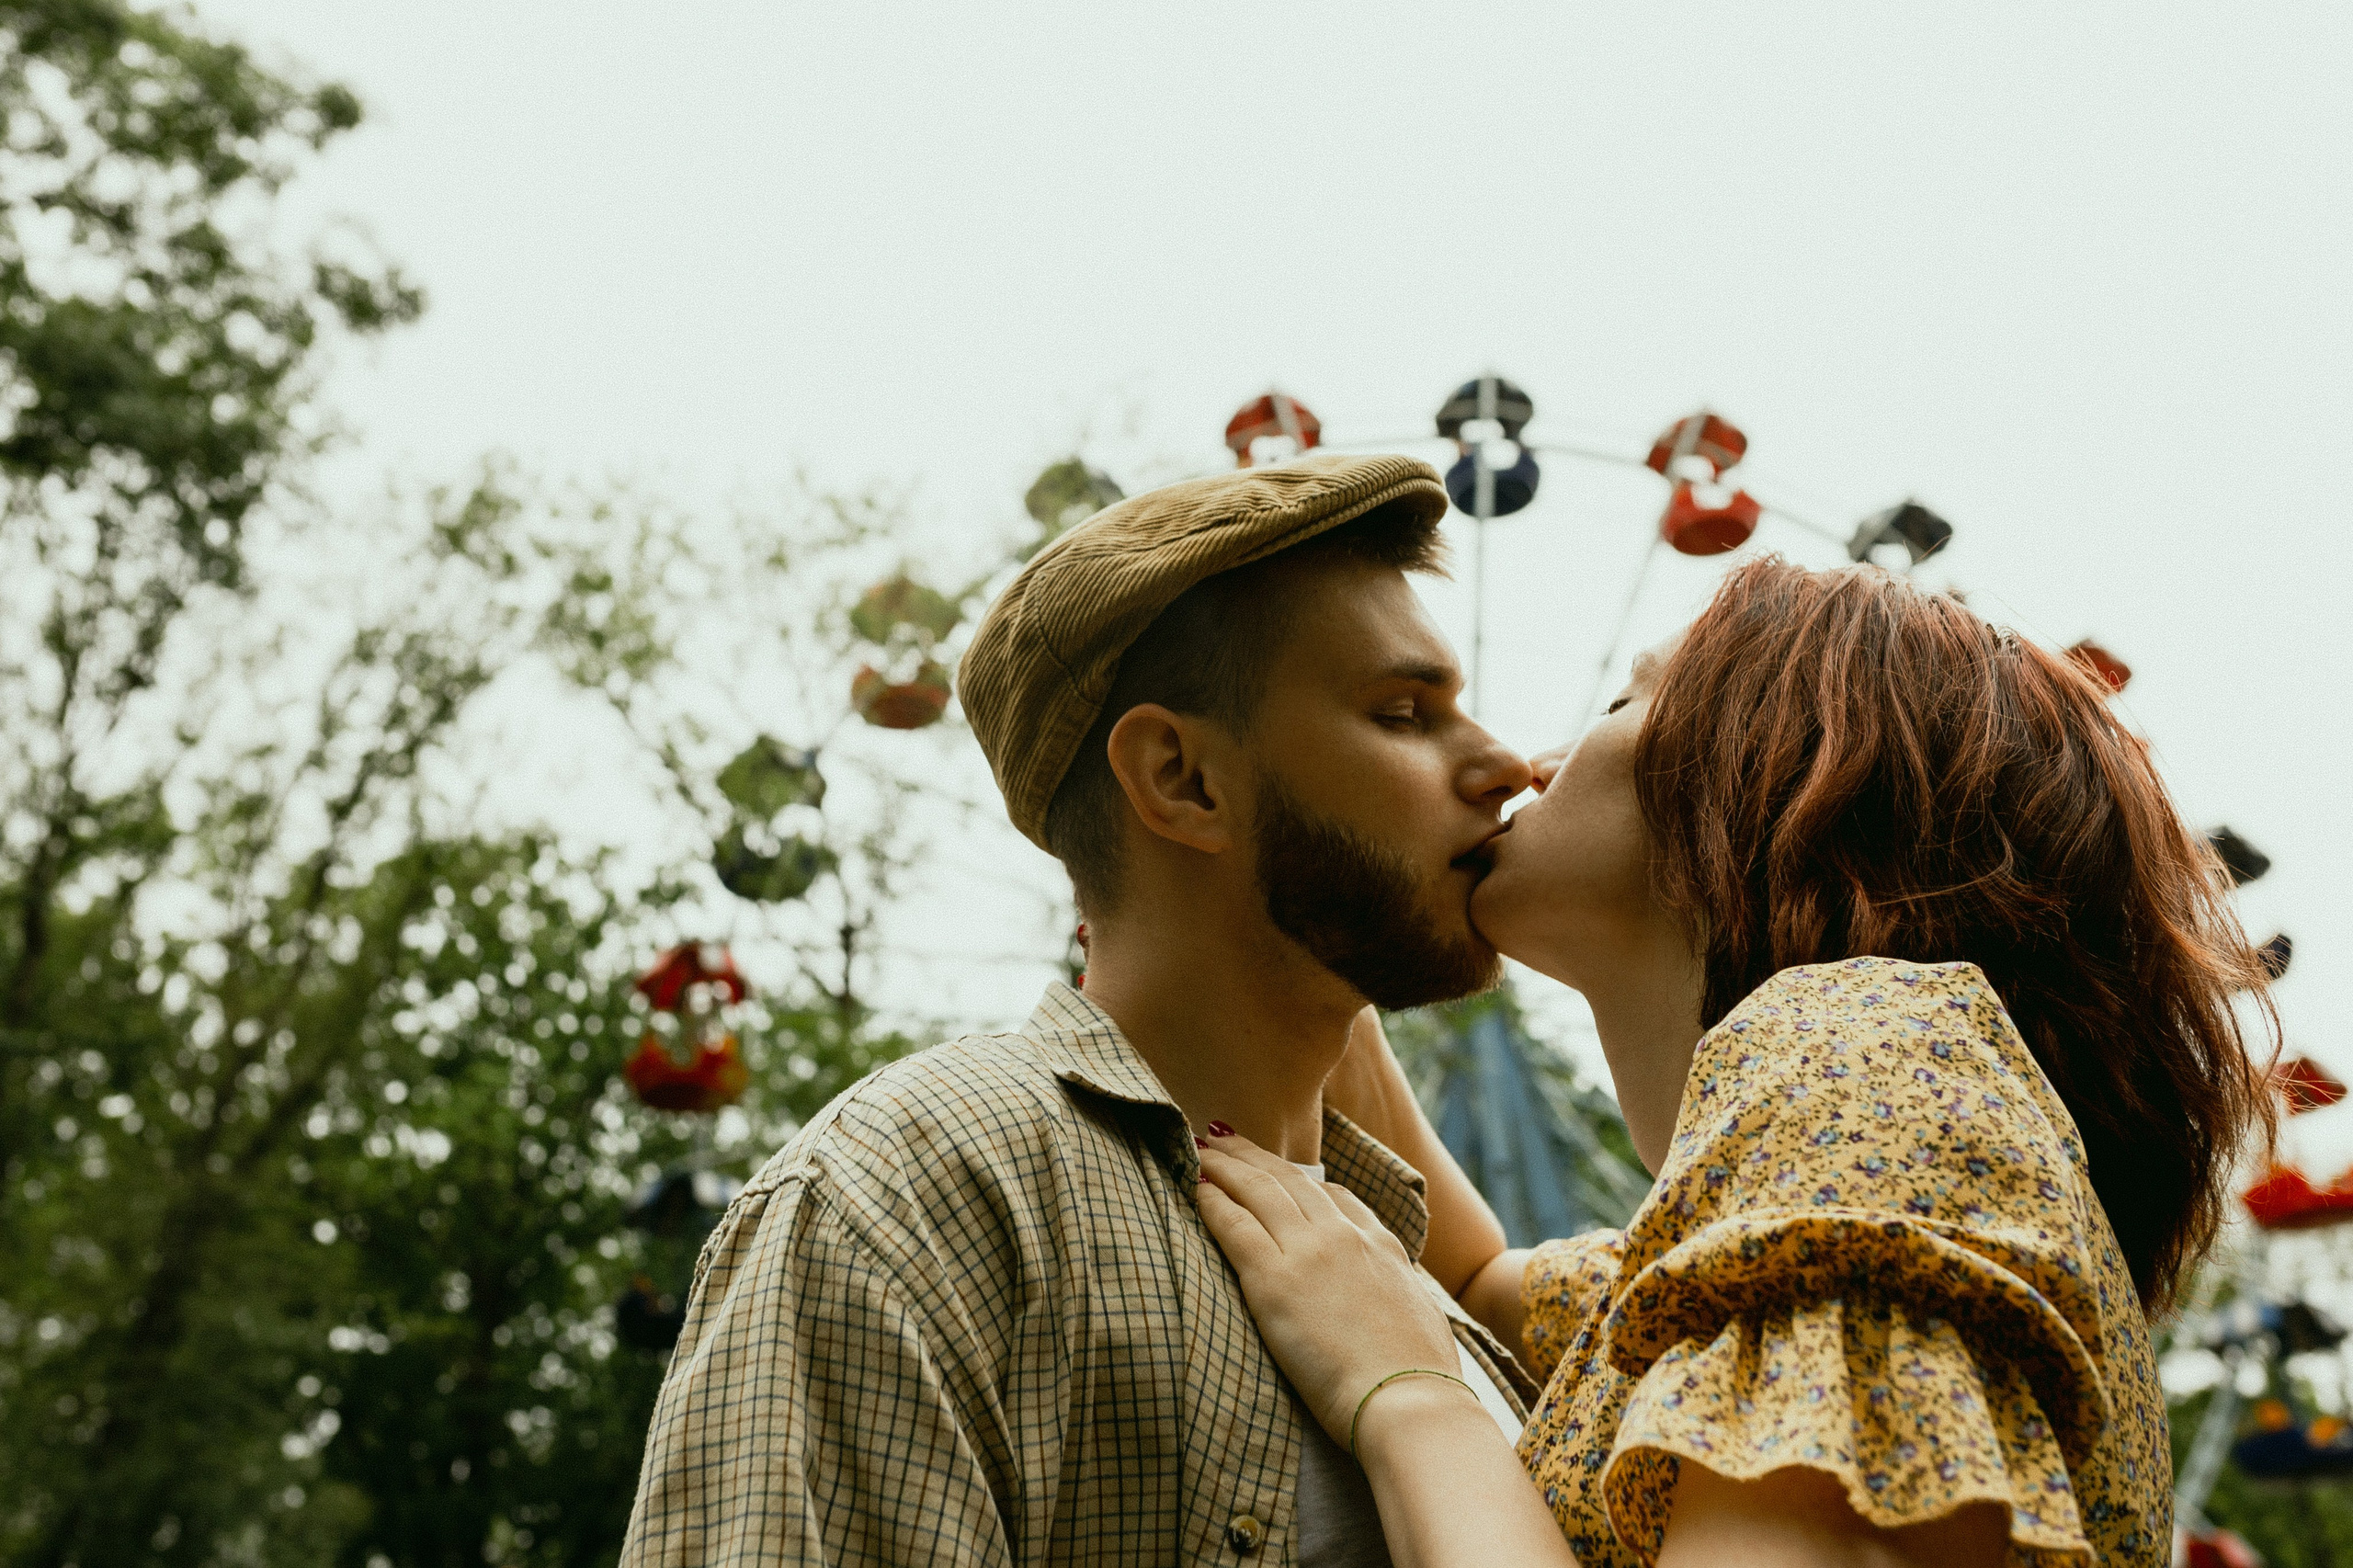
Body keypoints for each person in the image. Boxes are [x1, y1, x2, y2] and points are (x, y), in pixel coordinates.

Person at [1197, 558, 2278, 1568]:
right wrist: (1305, 952)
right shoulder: (1847, 1181)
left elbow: (1417, 1328)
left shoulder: (1871, 1058)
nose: (1530, 765)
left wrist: (1410, 1394)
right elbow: (1478, 1275)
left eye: (1624, 705)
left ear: (1776, 776)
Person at [620, 452, 1540, 1566]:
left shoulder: (1435, 1300)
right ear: (1181, 778)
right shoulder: (919, 1193)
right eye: (1403, 712)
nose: (1505, 762)